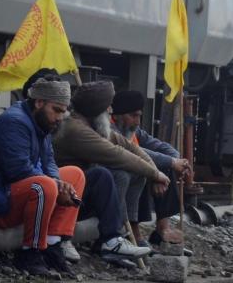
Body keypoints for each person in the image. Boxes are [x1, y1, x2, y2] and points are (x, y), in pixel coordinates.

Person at [0, 77, 85, 276]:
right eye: (56, 110)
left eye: (63, 112)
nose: (59, 117)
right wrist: (55, 185)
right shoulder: (14, 121)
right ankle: (30, 253)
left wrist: (61, 184)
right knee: (44, 186)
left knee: (75, 176)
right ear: (39, 102)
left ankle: (53, 246)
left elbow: (49, 162)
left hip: (14, 194)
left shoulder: (41, 121)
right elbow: (18, 170)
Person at [53, 80, 156, 262]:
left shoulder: (93, 126)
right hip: (65, 198)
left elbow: (129, 147)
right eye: (107, 106)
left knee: (125, 174)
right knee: (104, 175)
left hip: (76, 197)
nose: (110, 110)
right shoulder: (75, 129)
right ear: (96, 109)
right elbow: (118, 155)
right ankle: (108, 240)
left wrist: (156, 173)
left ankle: (114, 239)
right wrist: (156, 174)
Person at [110, 90, 188, 246]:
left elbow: (162, 148)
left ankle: (162, 228)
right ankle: (133, 232)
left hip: (136, 170)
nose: (138, 121)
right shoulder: (110, 130)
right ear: (117, 115)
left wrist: (176, 160)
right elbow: (134, 152)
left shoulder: (134, 130)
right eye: (133, 116)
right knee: (146, 170)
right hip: (115, 175)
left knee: (164, 165)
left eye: (139, 115)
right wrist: (163, 168)